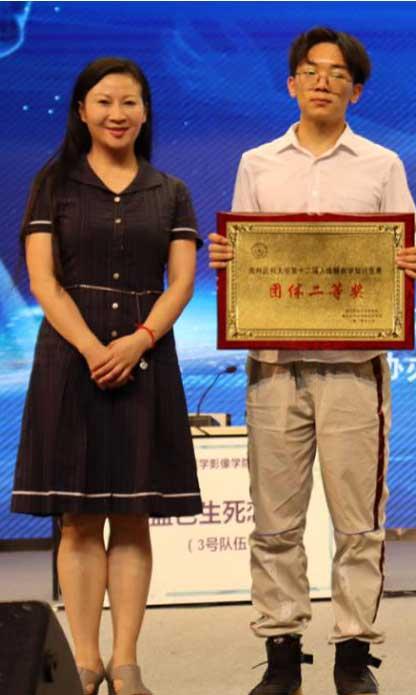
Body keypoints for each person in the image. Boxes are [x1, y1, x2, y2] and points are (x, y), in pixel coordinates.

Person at [207, 27, 416, 695]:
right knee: (275, 521)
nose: (322, 81)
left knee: (358, 524)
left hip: (354, 366)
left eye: (337, 73)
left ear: (356, 91)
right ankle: (281, 651)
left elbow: (413, 250)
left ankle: (353, 652)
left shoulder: (381, 164)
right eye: (310, 70)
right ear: (291, 84)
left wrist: (410, 260)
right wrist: (227, 257)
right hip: (275, 366)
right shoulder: (257, 163)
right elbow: (243, 255)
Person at [11, 57, 202, 695]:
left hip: (147, 358)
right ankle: (86, 662)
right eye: (103, 102)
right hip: (71, 358)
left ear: (145, 113)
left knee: (134, 514)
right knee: (79, 518)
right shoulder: (53, 185)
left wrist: (139, 339)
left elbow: (181, 283)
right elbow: (44, 282)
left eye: (129, 102)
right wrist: (95, 348)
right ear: (82, 111)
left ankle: (125, 663)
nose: (117, 114)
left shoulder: (170, 190)